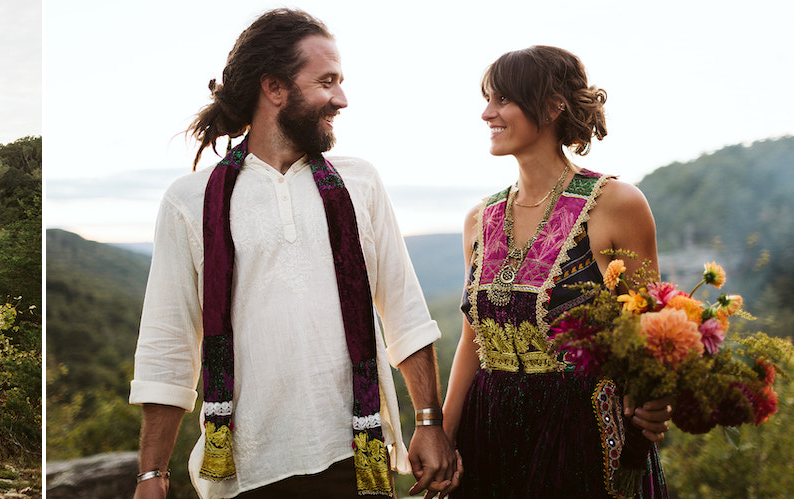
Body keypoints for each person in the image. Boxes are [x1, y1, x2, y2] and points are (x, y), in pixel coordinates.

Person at [130, 9, 458, 498]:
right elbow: (168, 344)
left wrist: (429, 421)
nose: (341, 99)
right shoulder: (189, 201)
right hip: (248, 467)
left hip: (356, 456)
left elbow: (405, 311)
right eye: (326, 82)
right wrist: (151, 474)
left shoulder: (360, 181)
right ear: (275, 88)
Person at [441, 46, 670, 498]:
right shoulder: (478, 219)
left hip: (581, 430)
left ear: (551, 106)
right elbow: (474, 338)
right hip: (489, 427)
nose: (487, 113)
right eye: (488, 99)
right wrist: (442, 434)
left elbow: (653, 329)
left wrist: (653, 399)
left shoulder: (616, 204)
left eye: (502, 99)